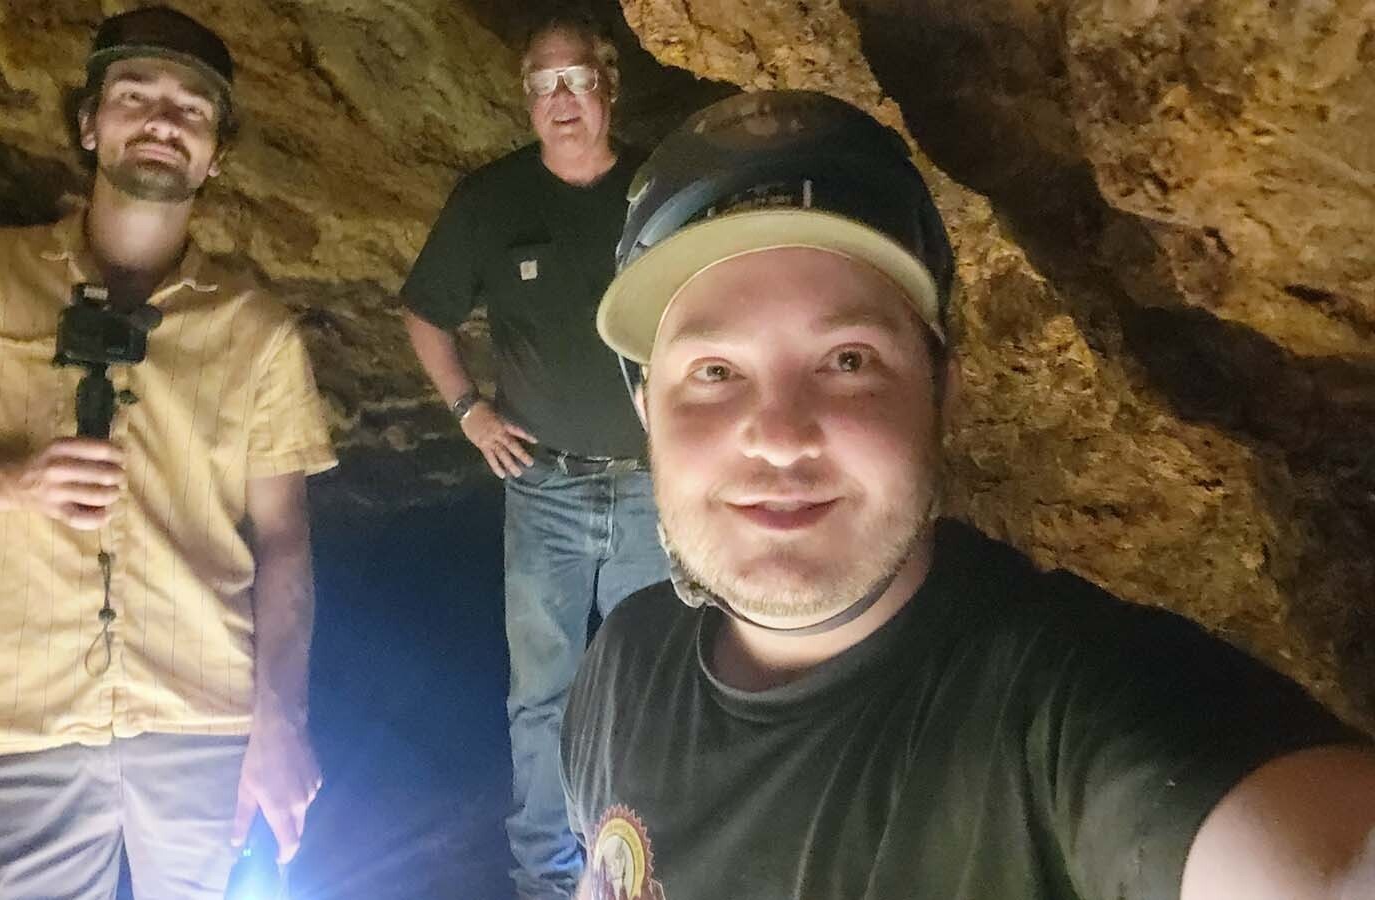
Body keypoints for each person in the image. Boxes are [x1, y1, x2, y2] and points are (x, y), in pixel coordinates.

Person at [562, 89, 1375, 900]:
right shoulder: (621, 669)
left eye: (848, 361)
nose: (779, 437)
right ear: (647, 410)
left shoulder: (1068, 713)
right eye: (714, 372)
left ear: (943, 392)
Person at [0, 8, 335, 897]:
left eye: (192, 110)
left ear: (215, 154)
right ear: (90, 122)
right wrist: (10, 481)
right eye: (136, 96)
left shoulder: (257, 331)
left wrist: (281, 723)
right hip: (14, 728)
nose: (163, 121)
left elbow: (284, 540)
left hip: (206, 730)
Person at [399, 12, 669, 898]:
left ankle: (635, 871)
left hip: (652, 487)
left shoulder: (657, 192)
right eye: (544, 83)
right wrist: (469, 412)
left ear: (608, 85)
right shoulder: (492, 201)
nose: (561, 99)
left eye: (577, 79)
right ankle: (547, 880)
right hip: (544, 485)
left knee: (645, 685)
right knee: (543, 697)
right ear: (526, 97)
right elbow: (426, 312)